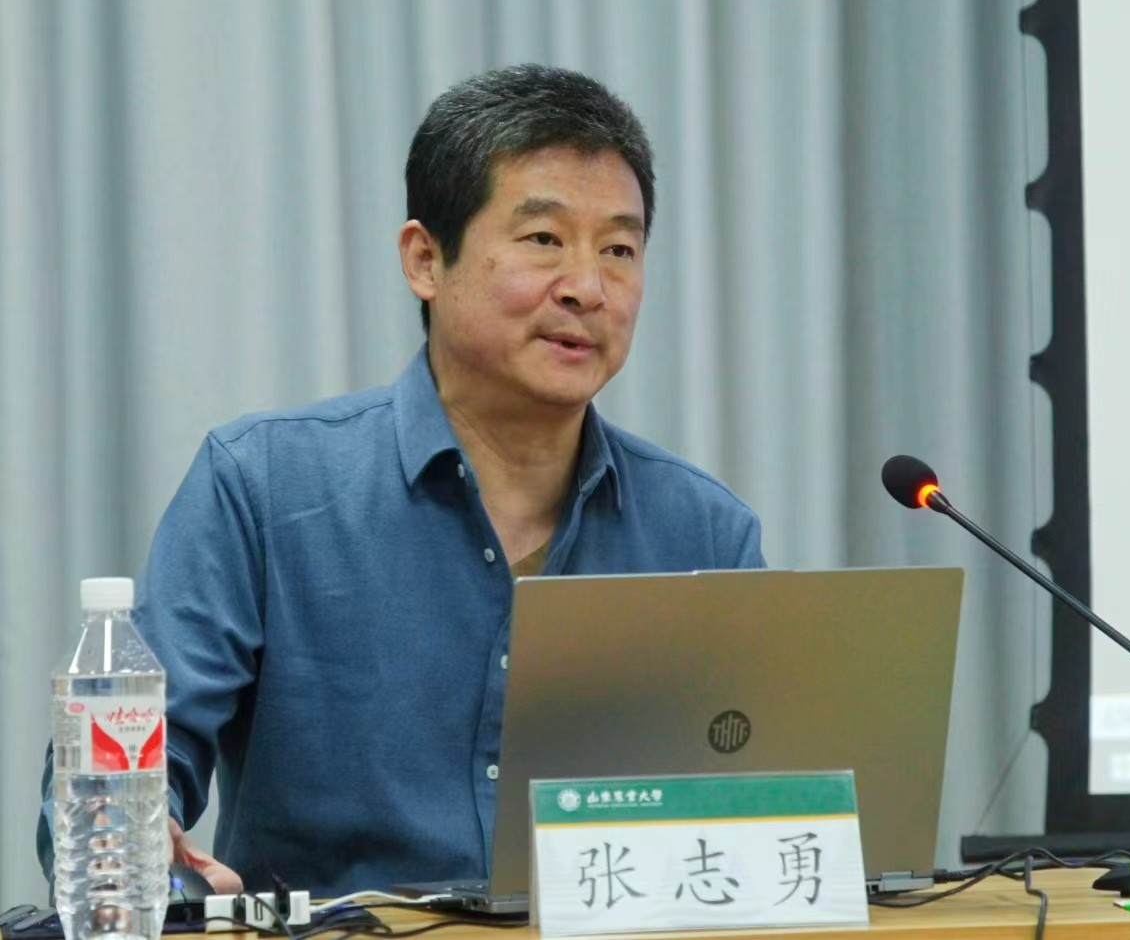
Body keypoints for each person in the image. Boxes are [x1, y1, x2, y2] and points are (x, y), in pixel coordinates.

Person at [38, 64, 764, 895]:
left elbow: (767, 814)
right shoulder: (264, 488)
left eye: (620, 250)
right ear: (425, 260)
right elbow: (110, 790)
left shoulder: (704, 533)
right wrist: (156, 875)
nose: (588, 288)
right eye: (543, 240)